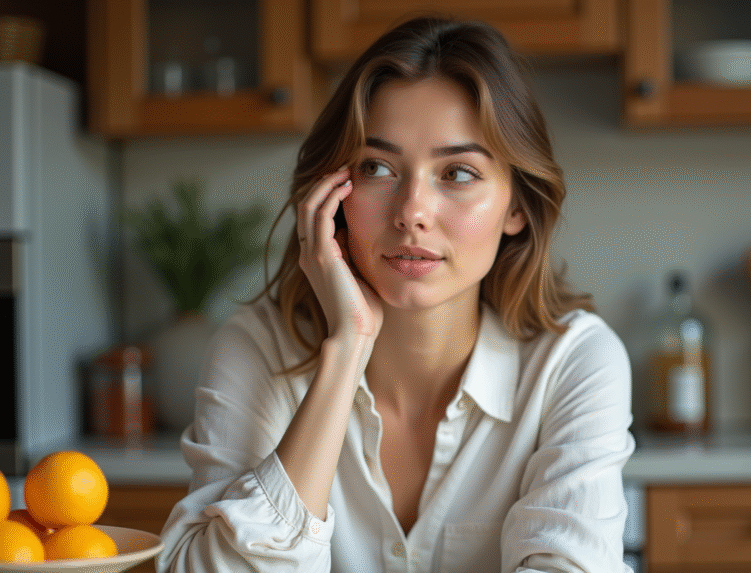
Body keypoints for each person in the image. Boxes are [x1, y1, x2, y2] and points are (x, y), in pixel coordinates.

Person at [158, 16, 634, 573]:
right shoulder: (257, 348)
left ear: (517, 208)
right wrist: (344, 353)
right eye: (378, 167)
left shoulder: (574, 361)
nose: (411, 211)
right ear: (330, 194)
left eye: (457, 173)